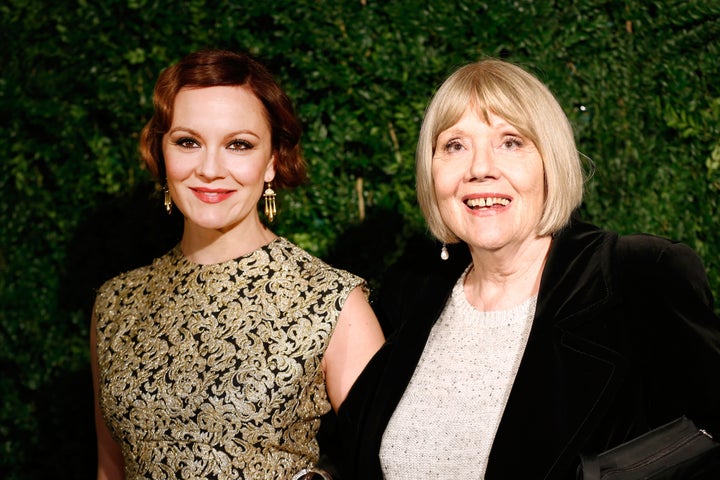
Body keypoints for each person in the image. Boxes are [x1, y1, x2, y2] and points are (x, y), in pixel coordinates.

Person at [336, 58, 720, 479]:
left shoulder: (639, 276)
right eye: (455, 145)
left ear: (549, 162)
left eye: (511, 142)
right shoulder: (409, 295)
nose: (480, 169)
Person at [89, 49, 385, 480]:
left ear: (272, 161)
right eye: (188, 142)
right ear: (163, 152)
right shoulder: (115, 303)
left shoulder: (332, 303)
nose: (209, 168)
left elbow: (388, 465)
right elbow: (110, 469)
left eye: (239, 145)